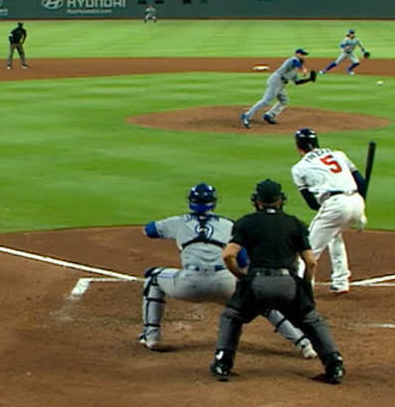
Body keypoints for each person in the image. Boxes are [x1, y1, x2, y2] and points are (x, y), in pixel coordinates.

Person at [139, 182, 319, 359]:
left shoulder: (177, 222)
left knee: (153, 278)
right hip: (225, 283)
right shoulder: (229, 224)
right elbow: (241, 259)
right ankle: (304, 344)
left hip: (188, 284)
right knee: (263, 302)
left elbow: (149, 230)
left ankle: (151, 336)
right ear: (214, 202)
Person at [213, 179, 344, 384]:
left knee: (232, 316)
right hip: (288, 285)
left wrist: (242, 277)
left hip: (257, 284)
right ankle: (334, 364)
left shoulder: (246, 222)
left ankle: (223, 363)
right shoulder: (295, 223)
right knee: (311, 319)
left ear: (257, 201)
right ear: (280, 200)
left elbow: (229, 255)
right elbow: (311, 262)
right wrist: (304, 286)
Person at [289, 128, 368, 296]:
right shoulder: (339, 154)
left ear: (298, 147)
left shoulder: (299, 168)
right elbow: (361, 182)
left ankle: (302, 291)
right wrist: (359, 210)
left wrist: (333, 212)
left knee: (308, 250)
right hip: (356, 201)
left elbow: (311, 203)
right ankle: (341, 281)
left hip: (336, 205)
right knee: (335, 236)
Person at [241, 48, 315, 128]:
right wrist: (303, 69)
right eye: (302, 54)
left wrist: (309, 79)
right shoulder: (292, 60)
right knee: (266, 101)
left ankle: (269, 115)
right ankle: (247, 115)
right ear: (297, 54)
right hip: (276, 80)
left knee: (284, 100)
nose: (303, 57)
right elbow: (295, 62)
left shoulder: (295, 70)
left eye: (304, 55)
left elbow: (297, 82)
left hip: (281, 84)